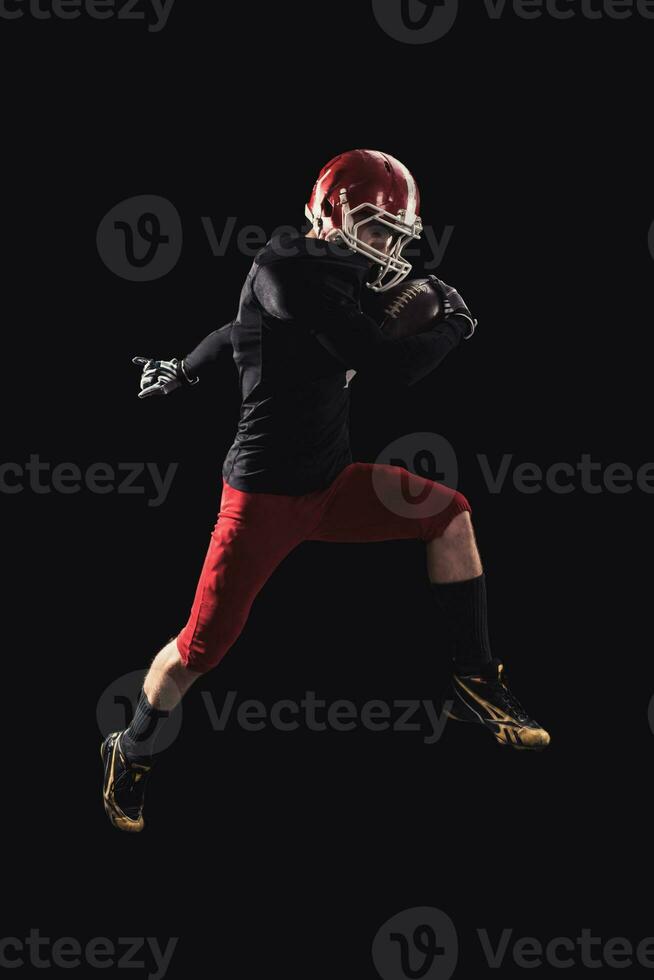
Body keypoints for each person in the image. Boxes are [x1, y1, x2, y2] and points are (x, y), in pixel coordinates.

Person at [102, 149, 549, 833]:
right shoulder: (290, 275)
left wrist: (184, 369)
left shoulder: (336, 276)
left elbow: (235, 332)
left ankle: (474, 680)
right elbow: (384, 365)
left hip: (331, 481)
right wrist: (453, 326)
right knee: (197, 652)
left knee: (450, 515)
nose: (387, 249)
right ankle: (129, 748)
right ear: (331, 213)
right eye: (375, 229)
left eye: (397, 237)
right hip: (262, 503)